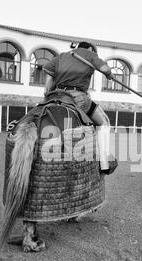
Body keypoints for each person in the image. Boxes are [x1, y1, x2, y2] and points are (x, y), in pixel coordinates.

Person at [43, 42, 114, 174]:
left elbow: (48, 72)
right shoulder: (90, 54)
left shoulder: (61, 56)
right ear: (90, 49)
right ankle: (104, 164)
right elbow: (104, 68)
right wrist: (109, 74)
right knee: (104, 122)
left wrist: (46, 95)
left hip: (55, 96)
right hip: (77, 97)